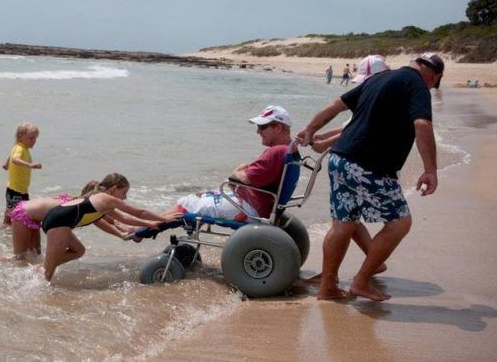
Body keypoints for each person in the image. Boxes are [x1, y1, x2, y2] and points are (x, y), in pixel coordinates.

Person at [297, 52, 444, 301]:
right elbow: (422, 125)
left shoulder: (380, 78)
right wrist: (430, 170)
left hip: (340, 159)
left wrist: (311, 129)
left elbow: (336, 106)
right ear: (434, 77)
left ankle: (328, 287)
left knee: (343, 225)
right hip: (369, 166)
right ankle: (361, 282)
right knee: (400, 223)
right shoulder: (418, 85)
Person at [161, 105, 295, 222]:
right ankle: (149, 223)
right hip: (258, 204)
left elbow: (240, 178)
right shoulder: (289, 150)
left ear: (278, 128)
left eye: (262, 127)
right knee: (201, 194)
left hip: (251, 208)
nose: (258, 132)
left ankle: (143, 229)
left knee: (188, 203)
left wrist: (239, 171)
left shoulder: (276, 152)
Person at [39, 173, 179, 281]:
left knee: (78, 250)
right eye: (124, 192)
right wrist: (164, 219)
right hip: (58, 222)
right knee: (48, 272)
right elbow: (138, 212)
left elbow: (124, 218)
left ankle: (38, 270)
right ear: (113, 189)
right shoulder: (105, 198)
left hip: (58, 221)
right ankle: (41, 292)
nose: (125, 197)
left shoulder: (103, 202)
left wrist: (149, 224)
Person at [2, 122, 42, 226]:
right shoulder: (20, 148)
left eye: (35, 138)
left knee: (19, 215)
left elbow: (11, 156)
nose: (34, 141)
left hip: (21, 190)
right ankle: (6, 234)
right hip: (15, 190)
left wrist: (6, 165)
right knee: (13, 216)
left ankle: (7, 234)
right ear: (20, 137)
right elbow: (15, 159)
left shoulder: (20, 148)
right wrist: (30, 165)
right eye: (31, 138)